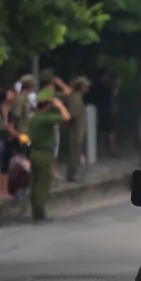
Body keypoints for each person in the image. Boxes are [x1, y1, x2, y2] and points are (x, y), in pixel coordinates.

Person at [28, 88, 71, 222]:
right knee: (43, 184)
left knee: (34, 184)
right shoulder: (46, 118)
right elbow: (67, 118)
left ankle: (35, 212)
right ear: (47, 104)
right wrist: (60, 105)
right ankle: (40, 214)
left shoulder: (33, 118)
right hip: (44, 154)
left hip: (33, 152)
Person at [62, 76, 88, 182]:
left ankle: (73, 174)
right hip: (75, 130)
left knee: (76, 153)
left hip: (77, 129)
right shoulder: (76, 98)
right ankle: (72, 175)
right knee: (74, 154)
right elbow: (72, 115)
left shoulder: (77, 96)